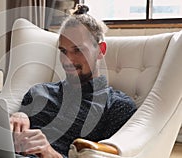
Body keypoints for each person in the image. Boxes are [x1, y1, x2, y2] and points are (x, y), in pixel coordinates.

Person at [10, 4, 136, 158]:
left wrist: (49, 154)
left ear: (100, 50)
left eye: (78, 50)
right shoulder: (39, 91)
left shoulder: (117, 107)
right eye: (63, 51)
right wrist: (19, 115)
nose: (68, 60)